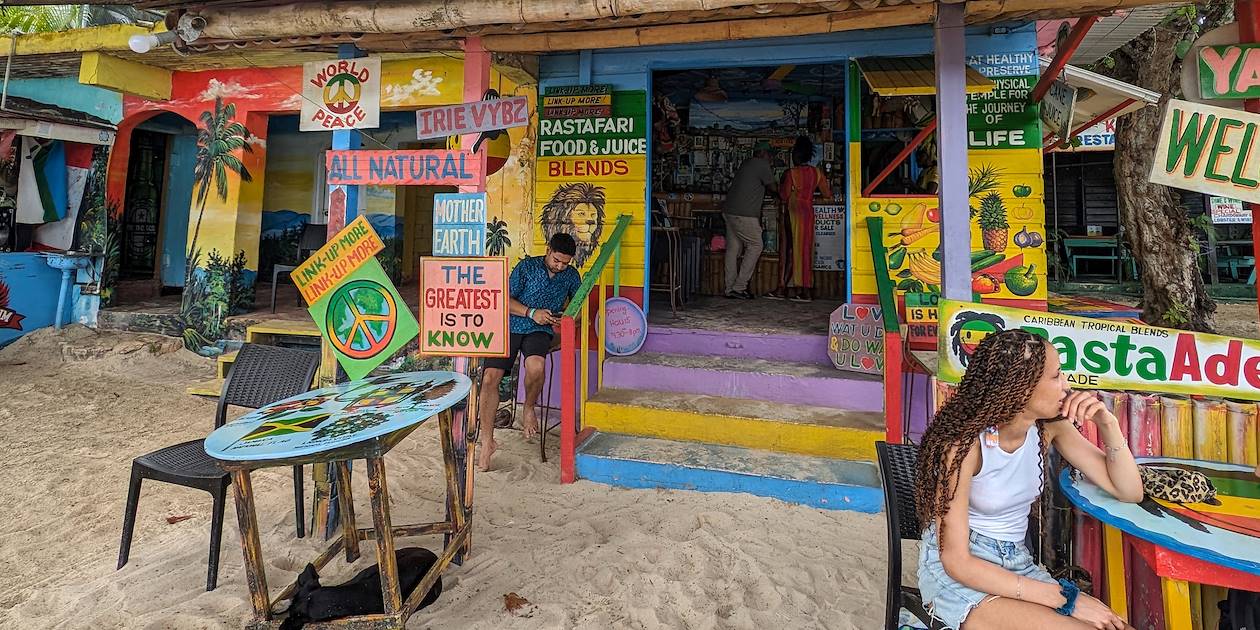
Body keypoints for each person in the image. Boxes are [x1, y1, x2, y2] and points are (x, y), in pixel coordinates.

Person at [916, 329, 1143, 629]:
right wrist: (1067, 598)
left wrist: (1108, 424)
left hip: (1017, 563)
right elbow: (956, 561)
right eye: (1056, 375)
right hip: (961, 571)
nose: (1066, 385)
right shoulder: (964, 446)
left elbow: (1129, 491)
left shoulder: (1049, 428)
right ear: (1021, 388)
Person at [477, 233, 582, 472]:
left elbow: (578, 308)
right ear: (548, 250)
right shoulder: (526, 266)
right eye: (556, 260)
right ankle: (487, 443)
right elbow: (504, 300)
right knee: (490, 378)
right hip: (511, 324)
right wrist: (531, 312)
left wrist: (565, 318)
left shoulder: (571, 276)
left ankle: (528, 408)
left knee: (536, 367)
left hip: (540, 331)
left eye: (565, 262)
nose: (560, 266)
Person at [767, 136, 830, 303]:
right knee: (805, 250)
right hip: (808, 213)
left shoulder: (791, 173)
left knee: (788, 249)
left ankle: (787, 287)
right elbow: (827, 195)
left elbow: (784, 195)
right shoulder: (817, 173)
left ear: (796, 155)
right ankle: (806, 289)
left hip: (792, 213)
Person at [722, 140, 777, 299]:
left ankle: (729, 288)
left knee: (733, 249)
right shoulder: (761, 164)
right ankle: (739, 287)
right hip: (743, 214)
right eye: (769, 154)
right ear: (761, 153)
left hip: (729, 211)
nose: (770, 158)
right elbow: (773, 188)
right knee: (756, 245)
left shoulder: (747, 163)